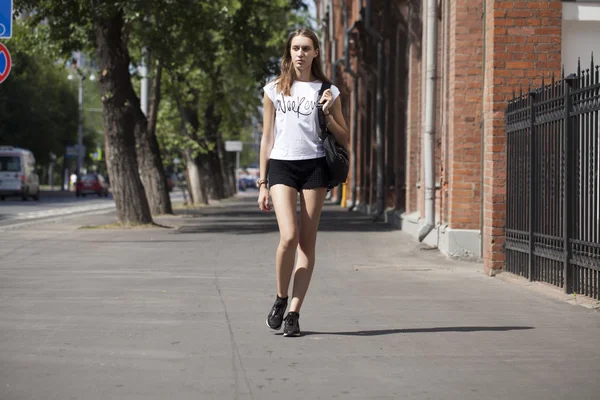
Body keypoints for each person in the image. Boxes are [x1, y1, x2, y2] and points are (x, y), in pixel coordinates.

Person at [257, 28, 350, 337]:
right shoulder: (273, 89)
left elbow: (344, 136)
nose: (300, 53)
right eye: (295, 48)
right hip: (281, 166)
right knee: (289, 236)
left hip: (314, 168)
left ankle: (294, 312)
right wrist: (261, 181)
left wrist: (327, 114)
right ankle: (281, 297)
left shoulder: (328, 90)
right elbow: (267, 135)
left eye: (306, 48)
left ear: (315, 53)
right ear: (289, 52)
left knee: (307, 243)